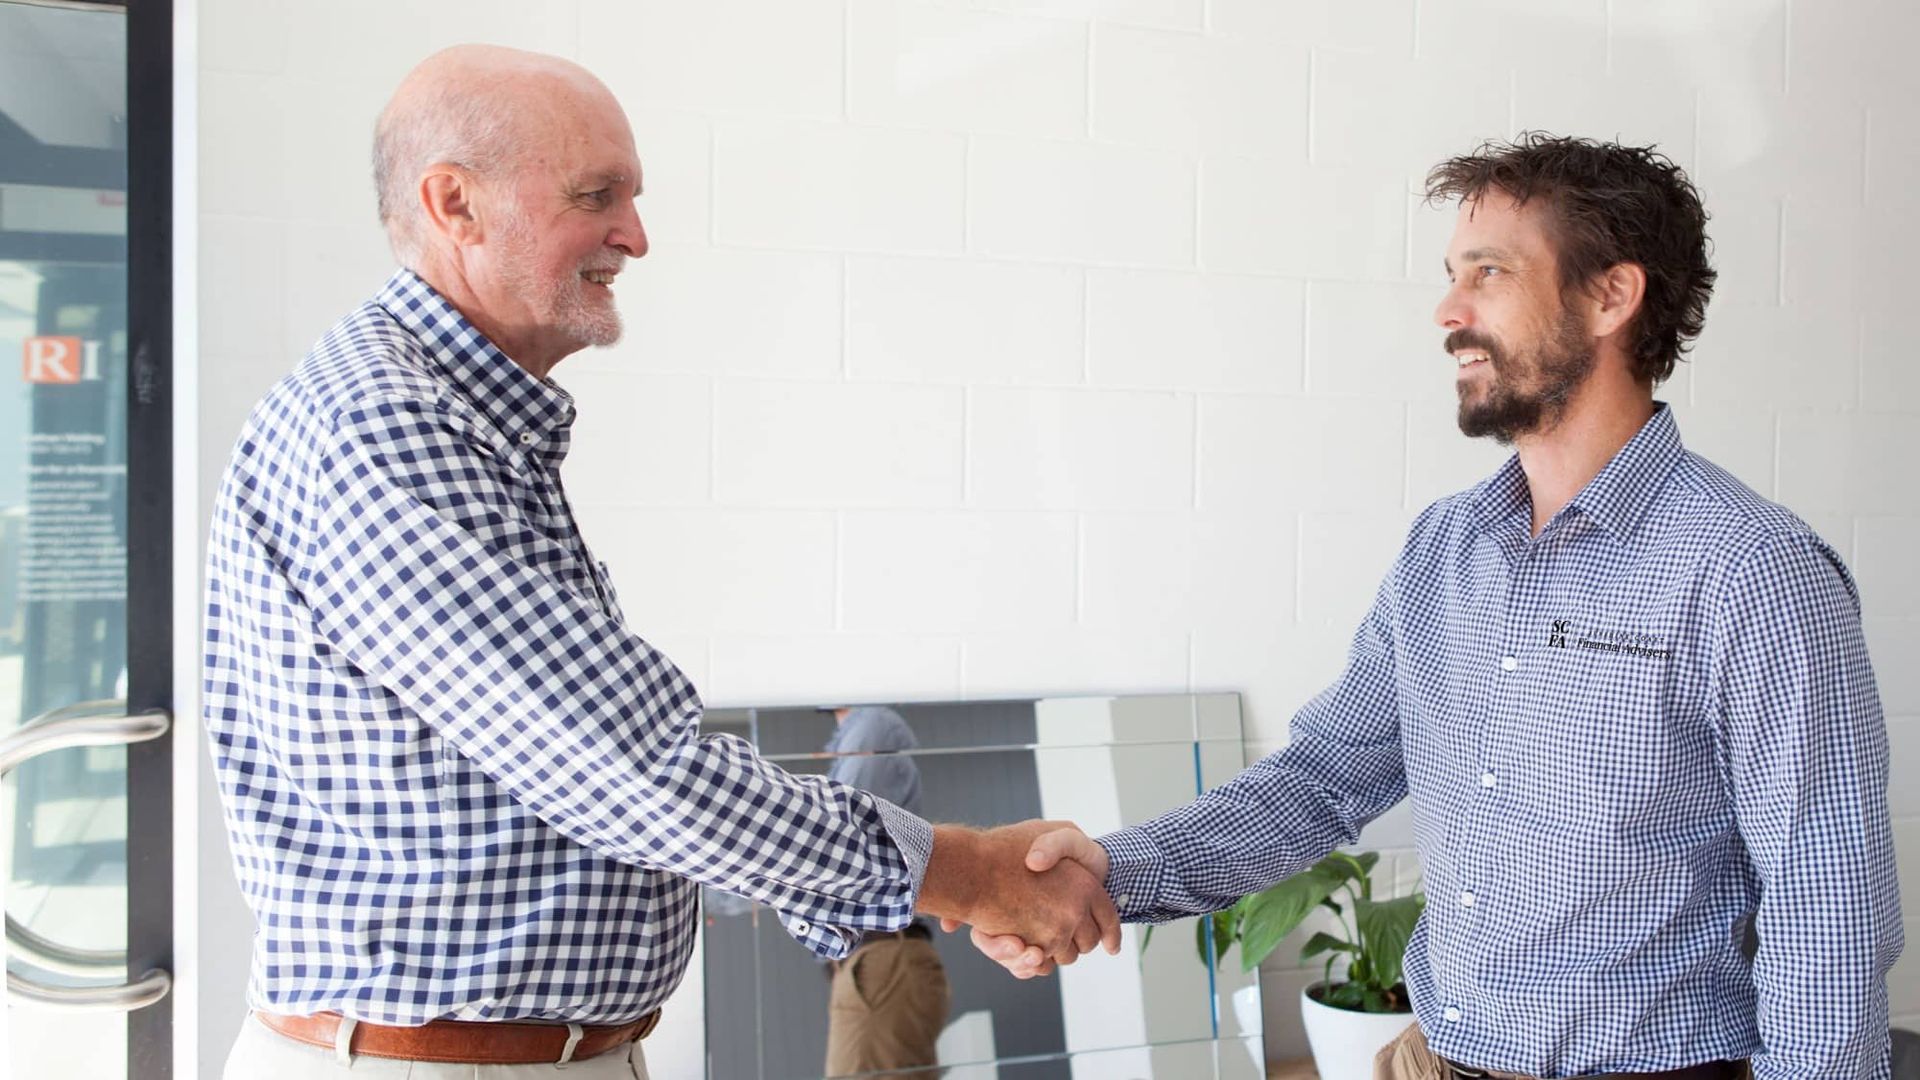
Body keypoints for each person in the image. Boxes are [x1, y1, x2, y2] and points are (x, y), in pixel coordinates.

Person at [202, 45, 1116, 1079]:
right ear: (454, 203)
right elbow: (632, 770)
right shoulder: (386, 429)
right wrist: (970, 874)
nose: (635, 236)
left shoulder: (462, 424)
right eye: (599, 196)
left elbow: (606, 795)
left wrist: (928, 890)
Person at [971, 134, 1901, 1079]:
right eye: (1454, 275)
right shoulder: (1444, 549)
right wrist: (1108, 872)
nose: (1448, 311)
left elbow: (1831, 918)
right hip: (1435, 1060)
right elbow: (1325, 779)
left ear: (1611, 297)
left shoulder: (1754, 571)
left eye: (1489, 273)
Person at [820, 707, 949, 1079]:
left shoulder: (870, 729)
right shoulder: (859, 736)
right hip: (877, 967)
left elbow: (833, 846)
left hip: (881, 965)